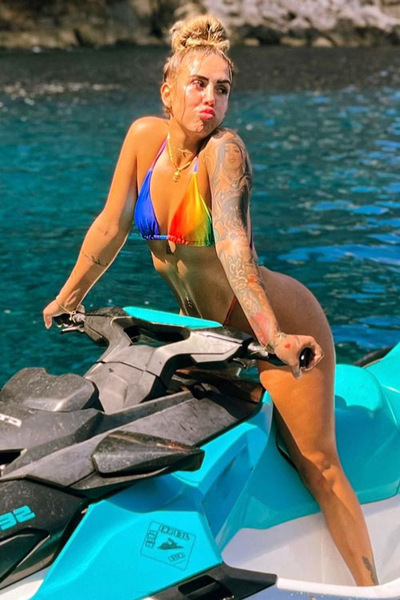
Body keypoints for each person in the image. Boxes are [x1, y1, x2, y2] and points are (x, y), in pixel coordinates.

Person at [43, 14, 377, 586]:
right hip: (205, 332)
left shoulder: (225, 154)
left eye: (223, 89)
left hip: (276, 320)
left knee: (317, 463)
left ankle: (372, 590)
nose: (211, 99)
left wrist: (275, 339)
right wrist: (68, 298)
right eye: (198, 84)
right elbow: (112, 225)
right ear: (167, 90)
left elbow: (234, 251)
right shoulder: (143, 140)